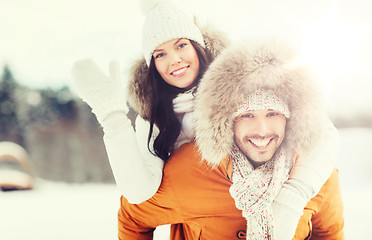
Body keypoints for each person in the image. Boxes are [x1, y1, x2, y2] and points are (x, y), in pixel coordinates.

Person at [71, 0, 339, 237]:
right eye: (160, 54)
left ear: (198, 46)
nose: (174, 60)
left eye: (181, 45)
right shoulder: (159, 125)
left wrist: (292, 196)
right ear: (151, 64)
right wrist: (113, 117)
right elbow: (137, 199)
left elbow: (321, 132)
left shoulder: (242, 82)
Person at [117, 39, 344, 239]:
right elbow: (133, 218)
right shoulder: (192, 168)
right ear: (228, 120)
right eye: (247, 115)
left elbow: (329, 233)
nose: (262, 130)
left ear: (290, 118)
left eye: (273, 113)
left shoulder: (315, 171)